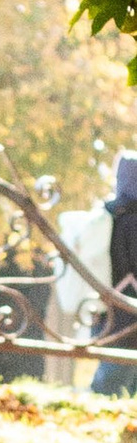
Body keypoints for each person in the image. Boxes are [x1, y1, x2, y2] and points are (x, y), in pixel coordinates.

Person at [96, 149, 137, 401]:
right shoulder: (130, 219)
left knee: (112, 378)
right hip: (128, 304)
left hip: (108, 303)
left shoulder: (108, 216)